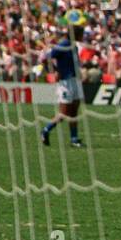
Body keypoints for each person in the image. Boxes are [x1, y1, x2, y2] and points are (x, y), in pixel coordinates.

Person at [41, 19, 85, 147]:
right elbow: (45, 58)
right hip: (66, 82)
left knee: (74, 111)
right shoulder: (63, 45)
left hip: (75, 80)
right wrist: (55, 71)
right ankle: (45, 130)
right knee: (64, 113)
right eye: (81, 34)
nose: (82, 36)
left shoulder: (74, 46)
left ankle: (74, 139)